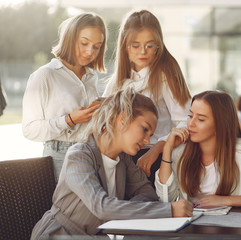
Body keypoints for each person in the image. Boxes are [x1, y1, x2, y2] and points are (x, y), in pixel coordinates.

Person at [30, 89, 193, 239]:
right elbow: (101, 207)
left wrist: (119, 208)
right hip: (59, 234)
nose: (147, 141)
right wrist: (169, 210)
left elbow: (147, 193)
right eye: (144, 129)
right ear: (122, 119)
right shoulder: (79, 156)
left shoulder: (123, 159)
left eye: (150, 135)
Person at [155, 90, 241, 209]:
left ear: (220, 125)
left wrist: (225, 200)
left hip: (228, 230)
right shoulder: (181, 153)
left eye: (200, 119)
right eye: (190, 116)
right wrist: (167, 149)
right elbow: (166, 199)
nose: (191, 123)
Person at [103, 10, 191, 183]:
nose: (142, 52)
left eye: (149, 45)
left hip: (156, 157)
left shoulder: (166, 75)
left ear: (158, 45)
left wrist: (158, 148)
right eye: (135, 46)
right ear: (124, 47)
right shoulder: (118, 80)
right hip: (123, 159)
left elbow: (187, 121)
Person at [22, 13, 107, 181]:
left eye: (96, 46)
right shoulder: (44, 75)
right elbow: (29, 130)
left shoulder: (91, 77)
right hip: (60, 156)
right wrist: (69, 120)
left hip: (91, 153)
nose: (90, 52)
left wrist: (102, 110)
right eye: (84, 43)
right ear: (69, 38)